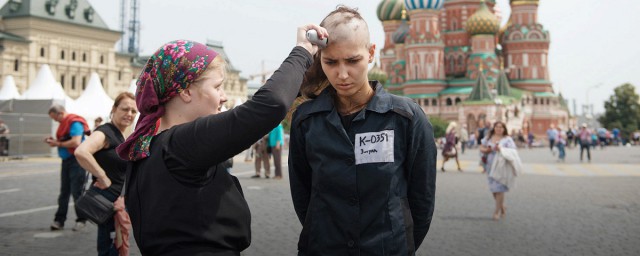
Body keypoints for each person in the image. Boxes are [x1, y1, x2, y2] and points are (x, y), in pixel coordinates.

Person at [115, 25, 325, 255]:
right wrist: (302, 51)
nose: (224, 97)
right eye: (217, 87)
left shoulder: (148, 147)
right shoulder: (180, 145)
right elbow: (269, 105)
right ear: (185, 91)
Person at [289, 6, 436, 255]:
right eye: (331, 62)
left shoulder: (406, 119)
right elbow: (303, 197)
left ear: (370, 53)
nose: (342, 74)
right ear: (320, 59)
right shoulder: (306, 121)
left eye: (352, 60)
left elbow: (422, 201)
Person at [74, 92, 137, 256]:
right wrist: (102, 176)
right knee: (109, 248)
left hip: (118, 203)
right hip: (107, 202)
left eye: (133, 111)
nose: (129, 114)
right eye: (125, 109)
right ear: (114, 109)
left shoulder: (121, 134)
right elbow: (81, 151)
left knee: (116, 245)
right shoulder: (105, 132)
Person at [45, 105, 90, 231]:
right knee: (64, 192)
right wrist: (54, 141)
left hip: (76, 161)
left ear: (60, 113)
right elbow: (66, 139)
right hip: (66, 161)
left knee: (77, 192)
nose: (55, 121)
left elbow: (75, 142)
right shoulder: (65, 122)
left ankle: (81, 220)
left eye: (55, 118)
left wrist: (57, 143)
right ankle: (59, 220)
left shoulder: (74, 122)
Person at [479, 121, 519, 220]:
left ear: (504, 129)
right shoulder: (489, 137)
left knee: (499, 189)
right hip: (489, 165)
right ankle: (502, 207)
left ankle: (497, 212)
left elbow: (513, 151)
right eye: (497, 127)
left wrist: (501, 149)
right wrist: (487, 150)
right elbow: (481, 147)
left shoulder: (507, 139)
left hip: (502, 166)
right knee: (493, 189)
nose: (499, 129)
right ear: (494, 128)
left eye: (501, 127)